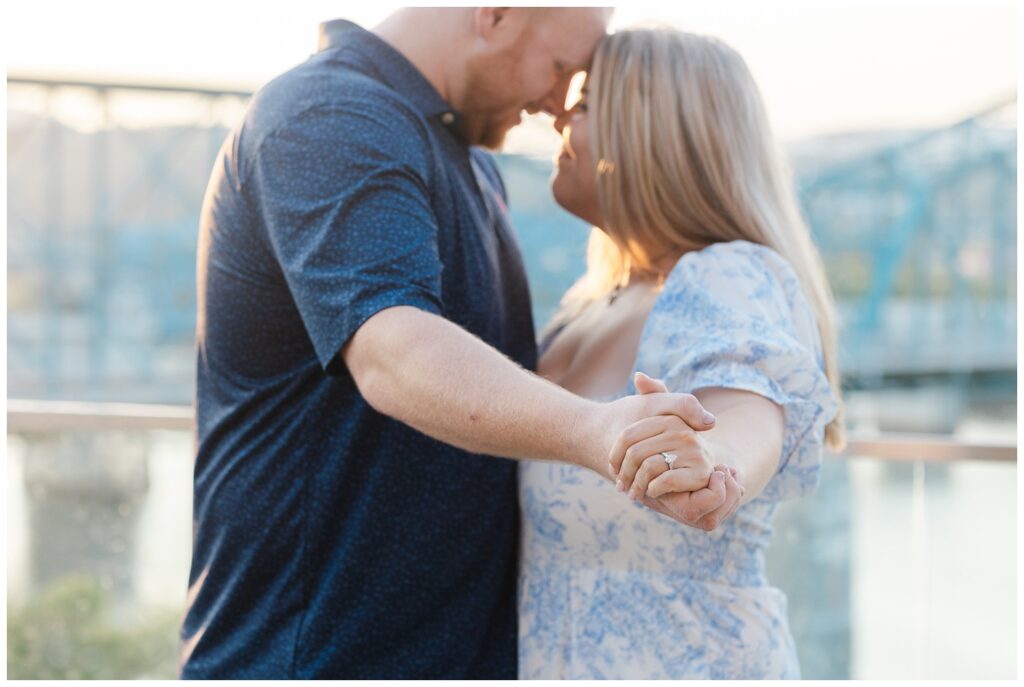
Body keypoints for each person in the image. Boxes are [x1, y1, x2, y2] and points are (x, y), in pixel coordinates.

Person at [182, 9, 744, 679]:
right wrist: (601, 431)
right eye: (562, 70)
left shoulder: (469, 161)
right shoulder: (332, 116)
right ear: (496, 15)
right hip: (313, 660)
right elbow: (395, 353)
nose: (555, 106)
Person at [517, 27, 844, 679]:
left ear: (645, 130)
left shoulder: (722, 275)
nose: (557, 115)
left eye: (582, 106)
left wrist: (716, 461)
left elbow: (747, 406)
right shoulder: (590, 303)